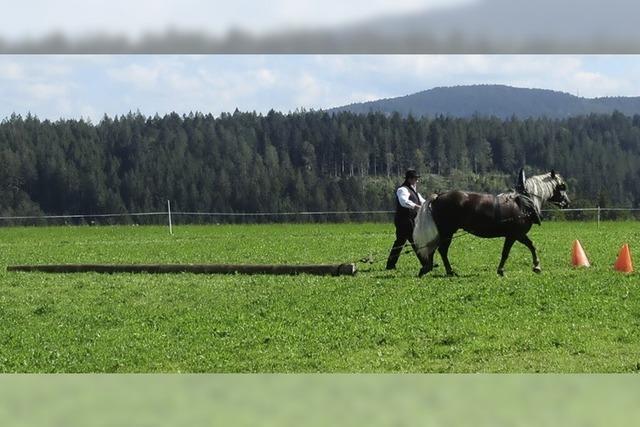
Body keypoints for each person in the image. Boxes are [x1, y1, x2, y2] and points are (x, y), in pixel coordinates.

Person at [385, 169, 429, 270]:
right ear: (410, 179)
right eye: (415, 179)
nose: (417, 181)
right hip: (404, 220)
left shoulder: (415, 192)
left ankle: (390, 265)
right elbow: (403, 202)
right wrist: (417, 207)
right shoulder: (402, 190)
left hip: (411, 220)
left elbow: (423, 202)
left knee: (400, 242)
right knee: (415, 240)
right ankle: (426, 263)